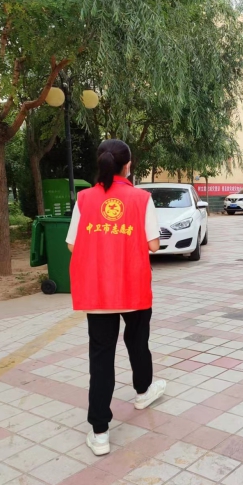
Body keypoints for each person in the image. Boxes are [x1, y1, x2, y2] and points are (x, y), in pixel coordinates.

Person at [66, 139, 167, 456]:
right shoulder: (141, 198)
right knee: (137, 343)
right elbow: (153, 245)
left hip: (98, 290)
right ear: (128, 165)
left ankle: (99, 432)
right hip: (133, 288)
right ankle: (143, 391)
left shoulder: (84, 199)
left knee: (101, 359)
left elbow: (72, 244)